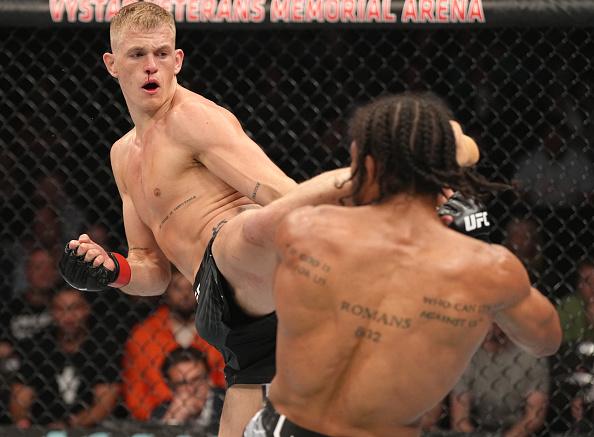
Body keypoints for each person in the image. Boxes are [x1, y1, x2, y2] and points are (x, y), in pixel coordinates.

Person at [57, 4, 482, 434]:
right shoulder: (121, 155)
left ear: (178, 60)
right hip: (224, 314)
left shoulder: (193, 119)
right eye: (137, 55)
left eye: (162, 54)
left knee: (250, 228)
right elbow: (153, 271)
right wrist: (113, 270)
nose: (151, 66)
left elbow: (280, 195)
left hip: (240, 256)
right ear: (112, 64)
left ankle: (411, 189)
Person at [243, 93, 562, 436]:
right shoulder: (488, 271)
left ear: (364, 164)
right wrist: (475, 244)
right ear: (443, 175)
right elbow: (545, 341)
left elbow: (258, 227)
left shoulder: (305, 231)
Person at [10, 286, 121, 428]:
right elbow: (20, 395)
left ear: (87, 309)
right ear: (52, 312)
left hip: (90, 430)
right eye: (60, 309)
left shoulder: (102, 347)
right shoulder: (39, 346)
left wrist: (69, 426)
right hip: (41, 427)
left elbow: (105, 402)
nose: (68, 317)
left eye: (75, 309)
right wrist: (24, 424)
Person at [122, 268, 225, 420]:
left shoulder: (219, 328)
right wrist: (157, 418)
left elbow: (226, 376)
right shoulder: (143, 334)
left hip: (215, 410)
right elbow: (135, 389)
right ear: (166, 291)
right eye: (177, 287)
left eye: (190, 287)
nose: (184, 295)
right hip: (160, 413)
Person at [450, 324, 550, 436]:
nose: (491, 328)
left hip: (517, 428)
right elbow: (460, 420)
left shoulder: (530, 355)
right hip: (478, 426)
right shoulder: (466, 355)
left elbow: (535, 415)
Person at [151, 347, 225, 433]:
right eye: (182, 383)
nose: (191, 389)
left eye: (196, 379)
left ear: (209, 378)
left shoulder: (227, 403)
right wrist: (174, 420)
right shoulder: (161, 413)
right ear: (171, 387)